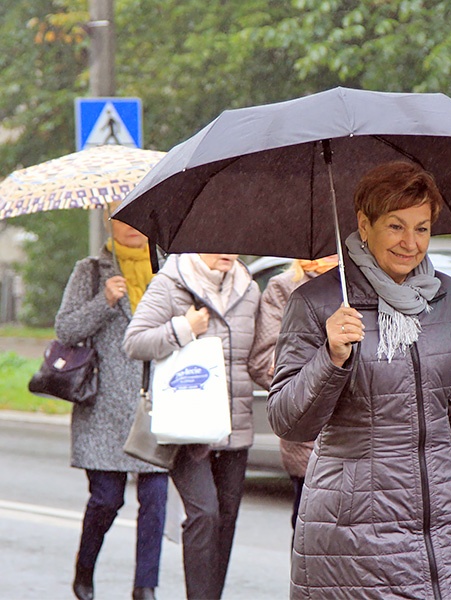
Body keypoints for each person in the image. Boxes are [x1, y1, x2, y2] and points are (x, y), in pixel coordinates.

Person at [267, 161, 451, 599]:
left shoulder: (447, 297)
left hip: (446, 527)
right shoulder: (319, 303)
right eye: (395, 226)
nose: (410, 243)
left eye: (422, 228)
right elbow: (289, 422)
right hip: (356, 533)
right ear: (364, 223)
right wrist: (331, 357)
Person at [123, 253, 260, 600]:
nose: (226, 250)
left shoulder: (249, 288)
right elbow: (134, 342)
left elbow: (258, 357)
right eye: (215, 243)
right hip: (187, 425)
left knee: (226, 521)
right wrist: (183, 328)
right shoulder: (170, 283)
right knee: (204, 513)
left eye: (231, 241)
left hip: (235, 423)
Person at [55, 212, 168, 600]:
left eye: (140, 216)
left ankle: (145, 587)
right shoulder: (90, 270)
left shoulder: (167, 267)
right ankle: (84, 572)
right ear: (108, 221)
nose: (132, 225)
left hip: (156, 403)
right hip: (103, 408)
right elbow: (65, 329)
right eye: (123, 216)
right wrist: (104, 301)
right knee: (107, 499)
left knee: (155, 502)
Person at [248, 256, 338, 532]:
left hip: (361, 434)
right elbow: (264, 362)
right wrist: (320, 369)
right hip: (309, 433)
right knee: (308, 531)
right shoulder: (285, 287)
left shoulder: (362, 285)